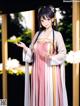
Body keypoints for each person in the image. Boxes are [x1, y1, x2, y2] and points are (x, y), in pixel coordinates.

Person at [16, 5, 68, 106]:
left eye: (48, 19)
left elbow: (63, 53)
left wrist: (51, 57)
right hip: (37, 72)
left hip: (50, 72)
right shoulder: (37, 34)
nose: (45, 22)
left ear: (52, 19)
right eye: (43, 20)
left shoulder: (57, 35)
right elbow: (32, 53)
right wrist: (25, 48)